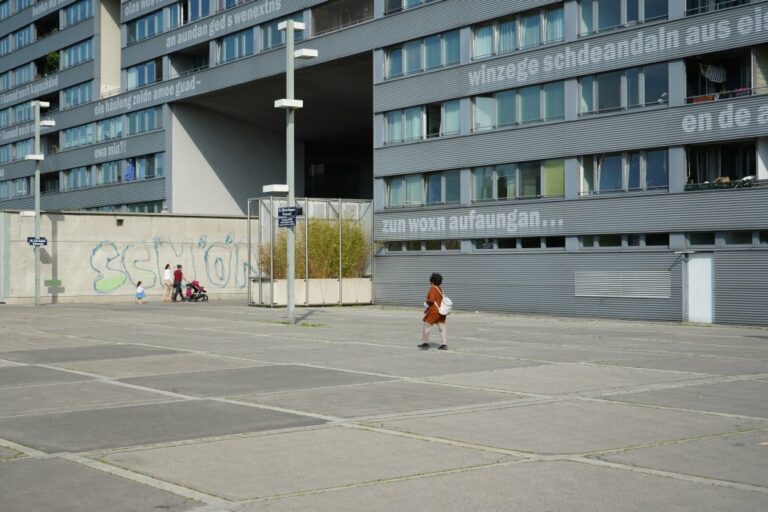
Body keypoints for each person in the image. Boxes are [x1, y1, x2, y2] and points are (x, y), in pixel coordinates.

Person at [418, 273, 448, 350]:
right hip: (441, 312)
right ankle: (444, 344)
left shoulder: (433, 288)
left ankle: (425, 343)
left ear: (432, 280)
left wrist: (426, 301)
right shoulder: (440, 289)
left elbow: (431, 300)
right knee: (442, 327)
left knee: (426, 325)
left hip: (434, 311)